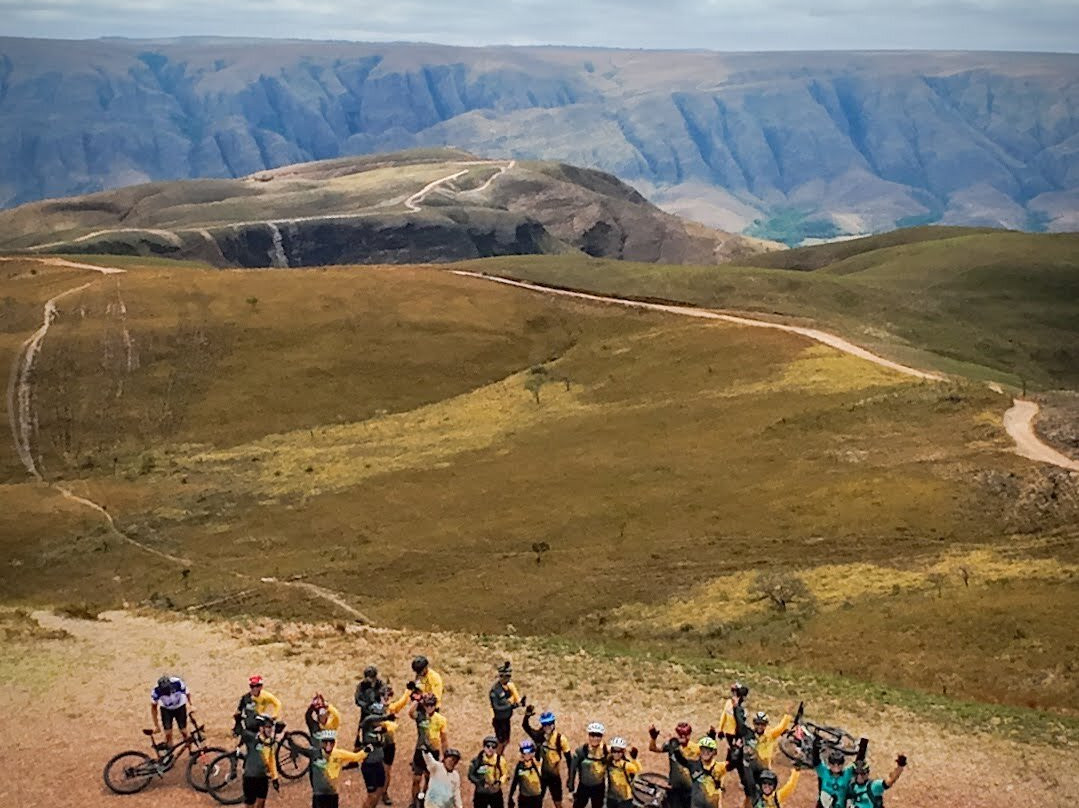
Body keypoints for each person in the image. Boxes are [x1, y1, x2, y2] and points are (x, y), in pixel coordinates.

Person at [288, 729, 370, 808]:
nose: (328, 744)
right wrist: (289, 740)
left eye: (331, 742)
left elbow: (357, 757)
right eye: (325, 741)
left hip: (332, 794)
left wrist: (371, 746)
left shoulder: (339, 754)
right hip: (318, 795)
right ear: (321, 742)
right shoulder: (314, 753)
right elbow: (299, 749)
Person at [365, 684, 411, 805]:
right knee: (376, 768)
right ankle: (375, 791)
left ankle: (384, 792)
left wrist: (408, 690)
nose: (386, 698)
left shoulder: (392, 708)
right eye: (383, 696)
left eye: (389, 696)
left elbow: (403, 701)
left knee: (386, 771)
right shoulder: (374, 709)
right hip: (377, 744)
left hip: (389, 744)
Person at [522, 707, 572, 808]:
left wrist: (570, 778)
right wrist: (527, 716)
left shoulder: (560, 739)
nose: (547, 727)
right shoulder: (539, 736)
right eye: (544, 725)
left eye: (549, 724)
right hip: (540, 776)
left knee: (558, 802)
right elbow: (526, 727)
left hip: (554, 776)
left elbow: (569, 759)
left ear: (554, 724)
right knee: (537, 801)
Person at [410, 692, 449, 808]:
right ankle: (414, 802)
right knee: (416, 778)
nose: (429, 707)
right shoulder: (420, 716)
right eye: (427, 705)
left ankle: (424, 800)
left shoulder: (441, 719)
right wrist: (417, 700)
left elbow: (444, 739)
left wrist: (445, 755)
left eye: (432, 705)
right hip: (420, 750)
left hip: (433, 751)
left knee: (428, 778)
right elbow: (411, 713)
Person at [669, 736, 732, 808]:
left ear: (714, 752)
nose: (706, 752)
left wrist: (734, 752)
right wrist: (676, 747)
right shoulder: (693, 765)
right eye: (703, 749)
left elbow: (731, 764)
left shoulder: (720, 766)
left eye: (709, 750)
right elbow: (681, 760)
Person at [647, 722, 697, 808]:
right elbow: (653, 748)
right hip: (675, 786)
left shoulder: (695, 749)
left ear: (690, 734)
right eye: (680, 735)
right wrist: (653, 738)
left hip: (689, 787)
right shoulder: (671, 744)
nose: (683, 737)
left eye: (685, 735)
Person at [239, 713, 280, 808]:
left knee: (261, 804)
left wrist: (275, 778)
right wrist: (238, 721)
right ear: (261, 728)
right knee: (250, 805)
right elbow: (242, 732)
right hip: (250, 777)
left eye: (271, 727)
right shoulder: (252, 738)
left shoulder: (271, 743)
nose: (270, 730)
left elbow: (271, 761)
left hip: (263, 777)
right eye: (267, 727)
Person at [568, 722, 608, 808]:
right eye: (592, 735)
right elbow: (572, 770)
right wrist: (570, 790)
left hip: (599, 788)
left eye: (598, 735)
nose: (595, 738)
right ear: (589, 736)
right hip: (583, 787)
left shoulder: (606, 751)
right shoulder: (581, 751)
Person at [490, 661, 524, 755]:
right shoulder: (495, 690)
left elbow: (512, 700)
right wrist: (511, 706)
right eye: (507, 676)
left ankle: (500, 755)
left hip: (506, 718)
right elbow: (496, 708)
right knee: (500, 741)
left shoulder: (508, 688)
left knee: (506, 741)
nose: (509, 679)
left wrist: (518, 704)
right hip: (499, 719)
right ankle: (497, 758)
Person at [150, 674, 192, 750]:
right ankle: (170, 753)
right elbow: (153, 708)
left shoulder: (178, 683)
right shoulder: (156, 690)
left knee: (184, 731)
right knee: (168, 733)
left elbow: (187, 693)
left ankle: (191, 752)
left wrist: (191, 705)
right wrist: (156, 725)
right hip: (166, 709)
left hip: (180, 707)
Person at [468, 735, 508, 808]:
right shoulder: (478, 760)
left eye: (493, 747)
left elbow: (504, 774)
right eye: (488, 746)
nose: (490, 749)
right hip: (481, 793)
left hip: (495, 792)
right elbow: (470, 775)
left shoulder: (500, 760)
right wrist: (479, 782)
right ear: (484, 747)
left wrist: (499, 782)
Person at [812, 742, 853, 808]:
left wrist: (863, 744)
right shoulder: (824, 772)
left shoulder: (847, 774)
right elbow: (816, 761)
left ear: (843, 764)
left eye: (839, 763)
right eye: (833, 763)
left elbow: (859, 762)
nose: (836, 766)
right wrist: (815, 747)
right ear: (829, 764)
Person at [604, 737, 640, 808]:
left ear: (623, 752)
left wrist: (634, 759)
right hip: (612, 798)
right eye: (614, 751)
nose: (616, 754)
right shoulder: (609, 762)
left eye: (619, 751)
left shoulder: (626, 765)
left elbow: (637, 769)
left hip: (625, 799)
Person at [508, 739, 544, 808]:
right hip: (524, 798)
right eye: (524, 752)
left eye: (529, 752)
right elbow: (515, 782)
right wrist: (510, 796)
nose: (527, 755)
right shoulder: (520, 766)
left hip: (536, 797)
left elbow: (539, 751)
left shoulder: (537, 763)